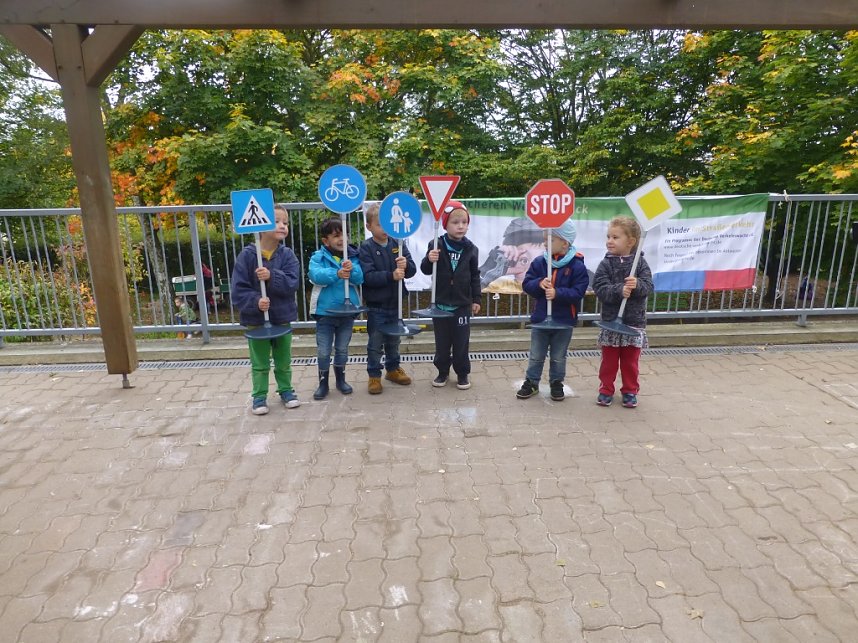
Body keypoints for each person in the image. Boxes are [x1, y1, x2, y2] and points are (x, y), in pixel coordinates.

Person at [231, 204, 301, 415]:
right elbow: (238, 290)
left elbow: (292, 284)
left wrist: (272, 277)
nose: (282, 226)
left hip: (281, 317)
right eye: (277, 222)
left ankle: (286, 390)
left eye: (285, 223)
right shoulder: (247, 256)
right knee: (260, 362)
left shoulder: (287, 255)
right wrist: (256, 302)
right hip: (256, 320)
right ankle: (259, 396)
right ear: (261, 226)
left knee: (283, 360)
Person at [516, 219, 590, 402]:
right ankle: (532, 382)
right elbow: (527, 283)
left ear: (565, 242)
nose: (545, 243)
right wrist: (539, 284)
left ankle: (556, 383)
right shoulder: (540, 262)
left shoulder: (577, 266)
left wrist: (557, 293)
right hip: (541, 319)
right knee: (535, 355)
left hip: (563, 321)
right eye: (544, 239)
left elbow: (578, 292)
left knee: (558, 356)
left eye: (550, 239)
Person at [592, 216, 653, 408]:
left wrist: (637, 285)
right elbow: (600, 288)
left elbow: (649, 287)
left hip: (633, 322)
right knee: (609, 362)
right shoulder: (605, 264)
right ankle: (605, 389)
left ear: (631, 242)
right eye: (608, 236)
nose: (609, 241)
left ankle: (630, 391)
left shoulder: (640, 264)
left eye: (615, 237)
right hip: (611, 321)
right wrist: (619, 290)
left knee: (630, 363)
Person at [420, 200, 481, 390]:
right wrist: (430, 259)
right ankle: (442, 372)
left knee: (461, 342)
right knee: (442, 342)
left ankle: (462, 373)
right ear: (445, 224)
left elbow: (475, 276)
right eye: (456, 222)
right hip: (440, 304)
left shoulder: (471, 248)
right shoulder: (436, 244)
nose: (461, 226)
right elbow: (425, 269)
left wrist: (476, 299)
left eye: (464, 222)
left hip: (462, 305)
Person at [359, 202, 417, 394]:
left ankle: (392, 369)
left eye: (387, 224)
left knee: (394, 340)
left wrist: (406, 264)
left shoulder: (398, 243)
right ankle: (374, 376)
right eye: (379, 225)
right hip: (377, 305)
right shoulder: (366, 247)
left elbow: (411, 271)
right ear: (369, 227)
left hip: (396, 303)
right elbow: (367, 277)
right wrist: (390, 275)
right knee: (375, 343)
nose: (384, 229)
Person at [309, 216, 365, 400]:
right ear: (326, 240)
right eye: (336, 235)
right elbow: (315, 275)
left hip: (347, 313)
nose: (342, 239)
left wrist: (353, 269)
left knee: (342, 348)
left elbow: (359, 278)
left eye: (345, 234)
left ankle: (341, 379)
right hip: (325, 313)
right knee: (324, 350)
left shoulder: (353, 256)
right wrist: (337, 272)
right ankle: (322, 382)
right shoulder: (318, 257)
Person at [480, 217, 545, 294]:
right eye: (524, 260)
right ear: (509, 261)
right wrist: (487, 271)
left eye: (542, 261)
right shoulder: (499, 288)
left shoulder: (558, 287)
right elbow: (465, 291)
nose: (532, 270)